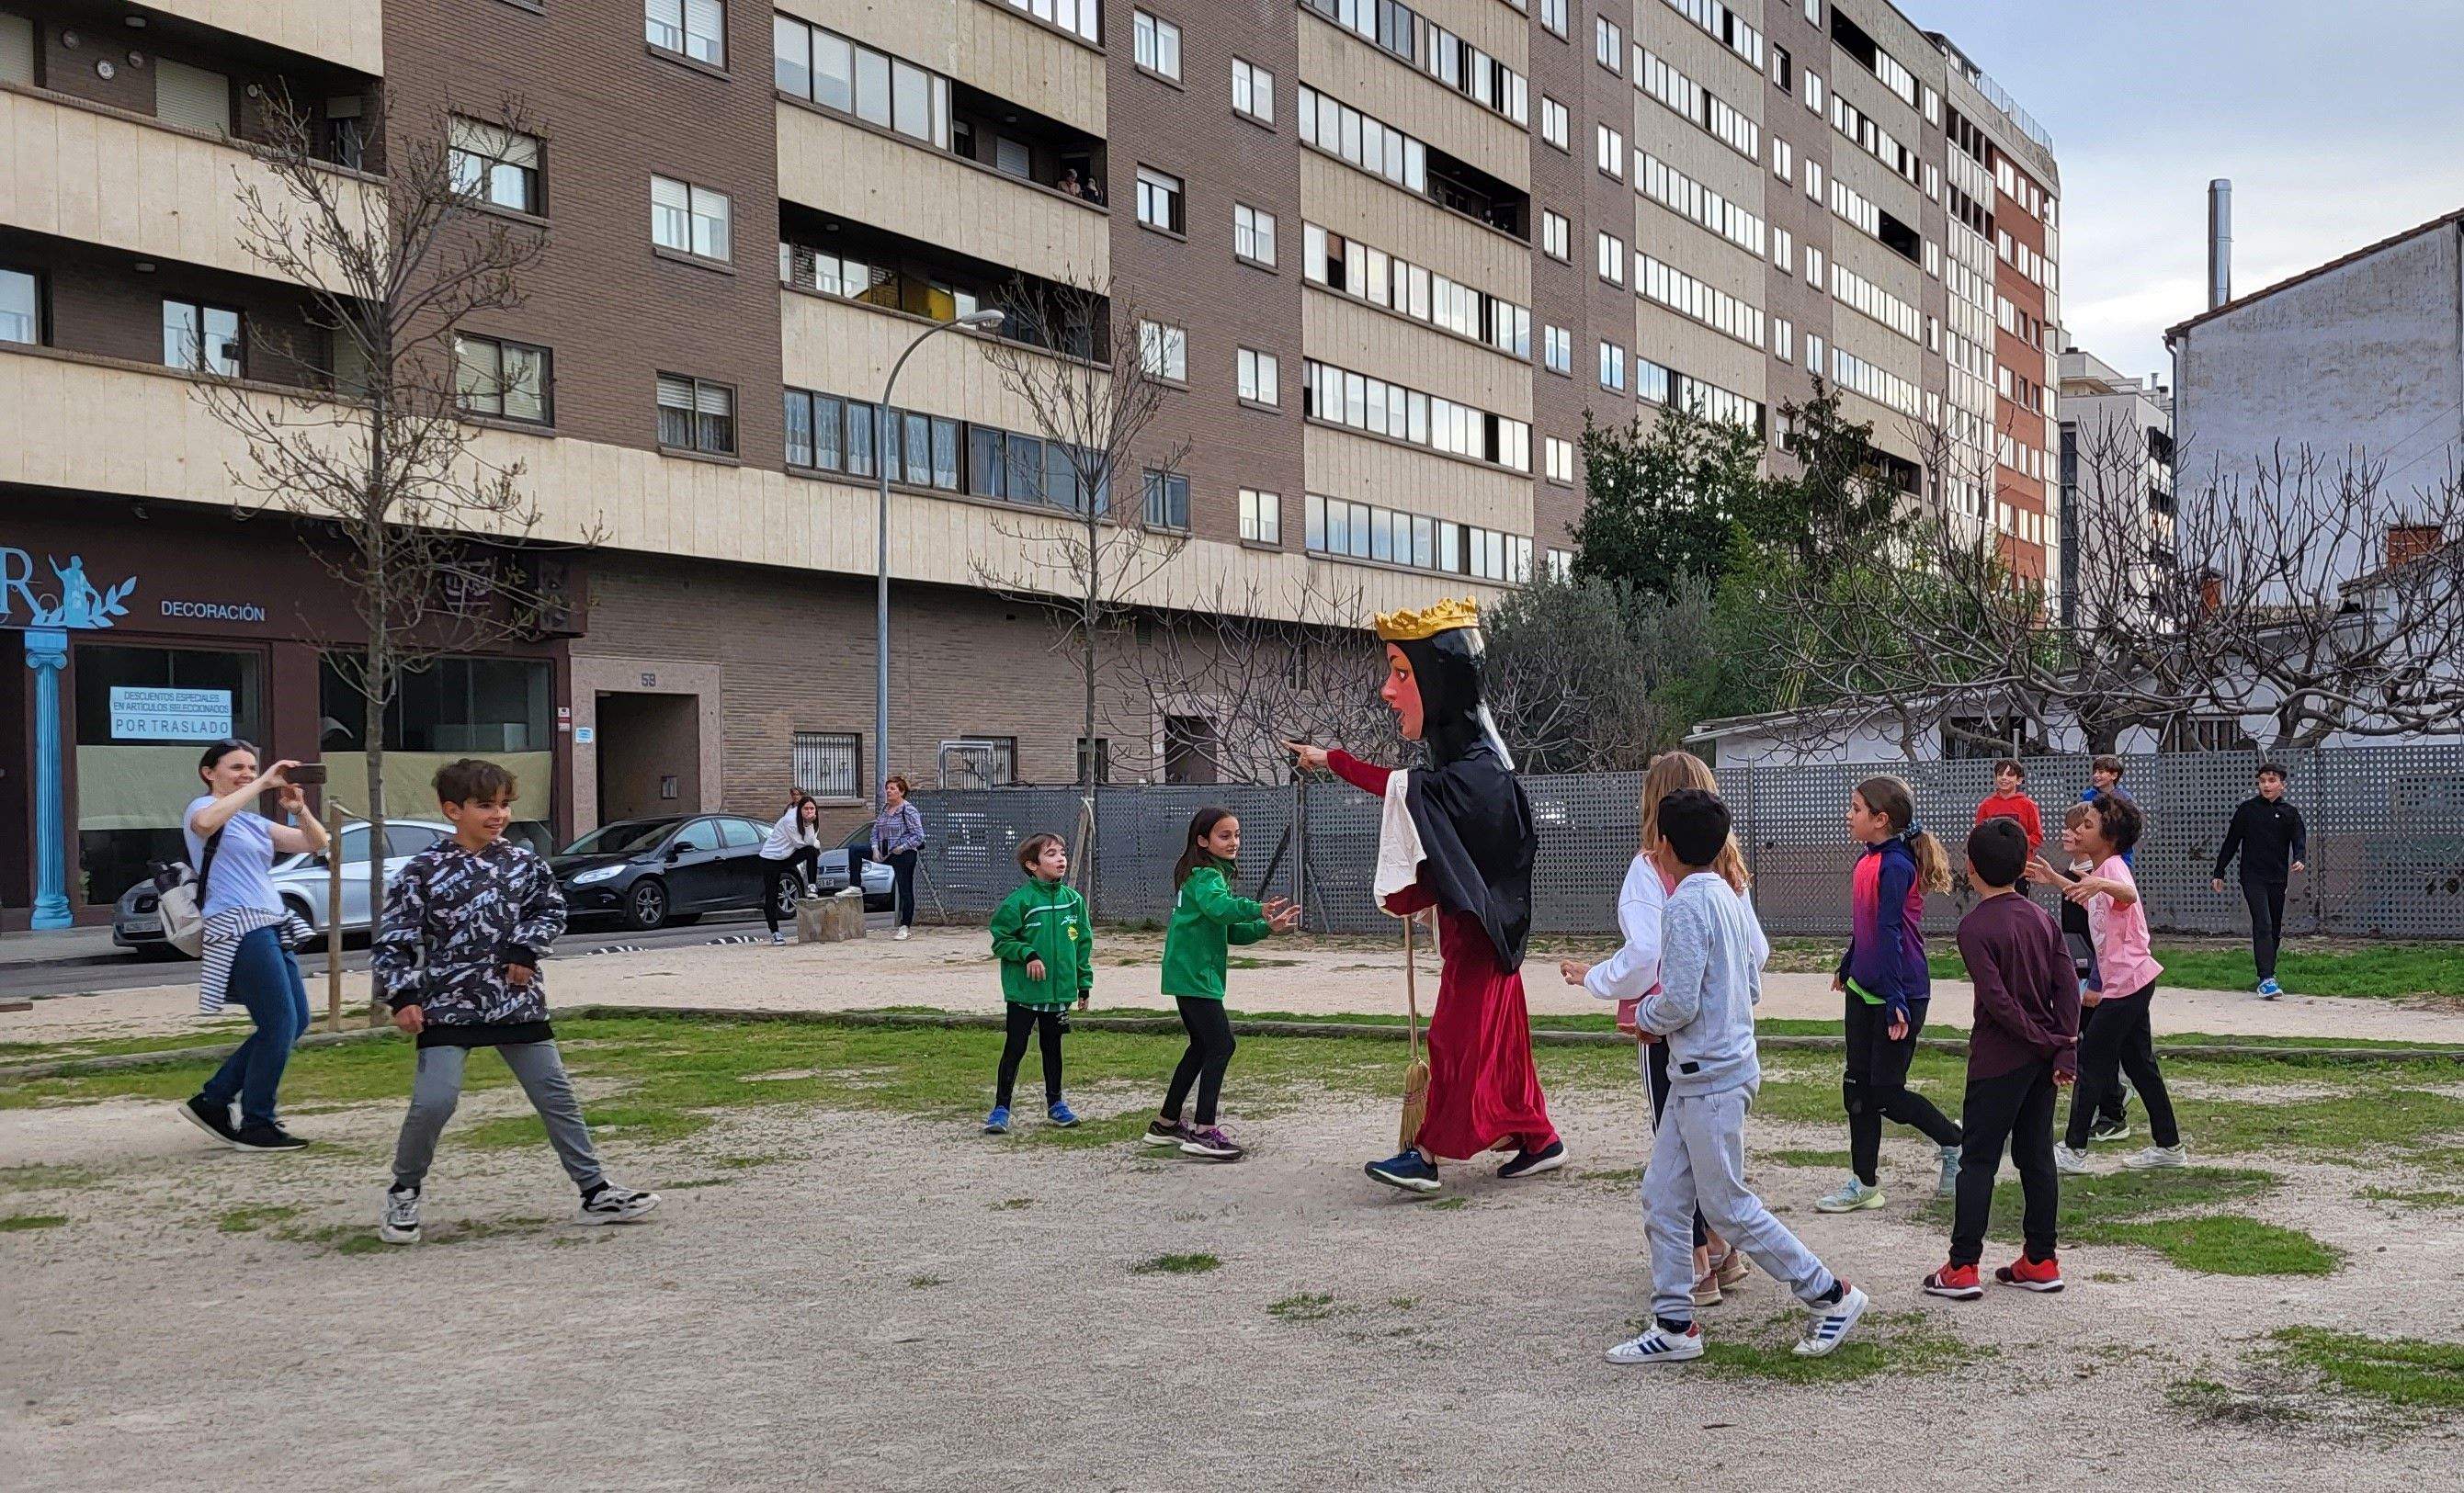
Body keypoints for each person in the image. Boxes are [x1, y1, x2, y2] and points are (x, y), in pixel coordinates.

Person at [1285, 596, 1564, 1195]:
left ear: (1438, 682)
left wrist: (1333, 758)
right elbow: (1423, 800)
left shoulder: (1476, 775)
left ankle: (1427, 1151)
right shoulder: (1476, 768)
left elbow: (1408, 792)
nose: (1388, 691)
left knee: (1455, 1040)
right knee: (1503, 1045)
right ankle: (1538, 1137)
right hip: (1489, 934)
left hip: (1482, 937)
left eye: (1402, 673)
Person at [1607, 788, 1870, 1365]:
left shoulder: (1684, 907)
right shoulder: (1728, 895)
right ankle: (1675, 1324)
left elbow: (1675, 1002)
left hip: (1713, 1076)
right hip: (1703, 1072)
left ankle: (1830, 1294)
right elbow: (1749, 980)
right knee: (1663, 1196)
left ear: (1668, 846)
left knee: (1725, 1205)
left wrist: (1644, 1017)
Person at [374, 759, 659, 1245]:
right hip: (447, 1004)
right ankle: (404, 1191)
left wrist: (526, 948)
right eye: (485, 805)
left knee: (555, 1094)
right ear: (451, 810)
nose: (499, 814)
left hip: (516, 1002)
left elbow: (550, 909)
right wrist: (401, 995)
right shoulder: (420, 871)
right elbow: (395, 937)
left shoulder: (525, 863)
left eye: (505, 805)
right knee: (434, 1102)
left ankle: (594, 1191)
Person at [1560, 751, 1747, 1307]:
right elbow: (1753, 950)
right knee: (1710, 1141)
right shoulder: (1727, 868)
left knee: (1674, 1139)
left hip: (1668, 1024)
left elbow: (1645, 953)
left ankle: (1694, 1264)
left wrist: (1596, 978)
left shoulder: (1649, 867)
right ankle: (1722, 1248)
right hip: (1723, 1028)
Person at [1923, 817, 2080, 1301]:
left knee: (1979, 1160)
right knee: (2037, 1159)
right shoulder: (2043, 919)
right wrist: (2063, 1046)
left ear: (1970, 868)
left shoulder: (1973, 927)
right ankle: (2040, 1257)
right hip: (2043, 1058)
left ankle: (1963, 1265)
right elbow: (2068, 985)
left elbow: (1997, 1001)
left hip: (1999, 1059)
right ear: (2023, 870)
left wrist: (2041, 1041)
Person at [1816, 775, 1964, 1213]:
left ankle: (1956, 1143)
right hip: (1865, 990)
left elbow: (1892, 932)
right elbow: (1868, 923)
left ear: (1880, 820)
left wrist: (1896, 999)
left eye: (1856, 809)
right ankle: (1865, 1184)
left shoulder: (1897, 865)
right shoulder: (1869, 859)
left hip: (1900, 994)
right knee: (1857, 1089)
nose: (1849, 815)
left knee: (1887, 1093)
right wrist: (1849, 963)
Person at [174, 740, 327, 1152]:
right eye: (236, 766)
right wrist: (260, 783)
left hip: (271, 922)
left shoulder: (251, 823)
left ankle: (214, 1099)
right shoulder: (200, 807)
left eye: (251, 766)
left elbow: (316, 842)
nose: (245, 772)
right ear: (209, 772)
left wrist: (299, 808)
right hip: (238, 925)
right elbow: (205, 826)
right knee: (278, 1024)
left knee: (296, 1021)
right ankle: (256, 1122)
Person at [2031, 792, 2186, 1173]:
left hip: (2128, 983)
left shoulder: (2114, 868)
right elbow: (2090, 900)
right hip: (2130, 982)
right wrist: (2054, 878)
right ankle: (2169, 1147)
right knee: (2140, 1065)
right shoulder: (2100, 872)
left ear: (2110, 836)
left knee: (2091, 1061)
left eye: (2088, 825)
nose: (2078, 831)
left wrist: (2101, 885)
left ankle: (2073, 1150)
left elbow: (2128, 894)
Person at [1144, 808, 1299, 1161]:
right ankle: (1202, 1131)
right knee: (1221, 1045)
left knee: (1201, 1047)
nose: (1234, 842)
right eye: (1224, 836)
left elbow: (1227, 928)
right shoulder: (1207, 879)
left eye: (1237, 835)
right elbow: (1223, 909)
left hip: (1192, 975)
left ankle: (1166, 1124)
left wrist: (1266, 928)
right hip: (1195, 976)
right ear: (1203, 841)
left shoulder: (1206, 878)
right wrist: (1256, 908)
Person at [985, 832, 1092, 1134]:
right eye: (1051, 854)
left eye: (1062, 853)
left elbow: (1081, 943)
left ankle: (1056, 1105)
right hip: (1024, 994)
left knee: (1052, 1047)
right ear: (1032, 865)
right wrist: (1027, 953)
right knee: (1015, 1047)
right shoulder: (1020, 902)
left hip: (1058, 994)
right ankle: (1001, 1108)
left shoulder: (1074, 902)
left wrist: (1083, 983)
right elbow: (1002, 939)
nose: (1060, 859)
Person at [2047, 801, 2133, 1144]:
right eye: (2069, 826)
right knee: (2102, 1044)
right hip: (2081, 965)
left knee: (2094, 1045)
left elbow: (2105, 934)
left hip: (2095, 971)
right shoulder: (2079, 870)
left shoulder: (2104, 872)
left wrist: (2095, 981)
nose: (2071, 832)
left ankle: (2109, 1111)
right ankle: (2115, 1101)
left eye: (2081, 826)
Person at [2212, 763, 2308, 998]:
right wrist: (2219, 871)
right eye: (2263, 780)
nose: (2267, 785)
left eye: (2272, 780)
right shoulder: (2247, 810)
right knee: (2262, 923)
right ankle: (2265, 978)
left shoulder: (2289, 813)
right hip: (2252, 876)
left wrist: (2300, 858)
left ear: (2282, 785)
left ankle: (2270, 973)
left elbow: (2299, 838)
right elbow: (2231, 841)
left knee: (2274, 926)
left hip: (2277, 877)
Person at [759, 794, 824, 945]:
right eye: (806, 808)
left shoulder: (812, 820)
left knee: (811, 852)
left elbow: (810, 843)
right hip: (771, 858)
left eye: (812, 808)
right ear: (800, 809)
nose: (809, 811)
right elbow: (799, 843)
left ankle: (812, 886)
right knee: (772, 894)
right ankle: (775, 932)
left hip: (787, 855)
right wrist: (811, 832)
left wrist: (809, 825)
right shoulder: (790, 821)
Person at [871, 775, 925, 940]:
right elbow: (875, 830)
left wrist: (902, 847)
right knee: (855, 851)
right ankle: (854, 886)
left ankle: (905, 926)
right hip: (885, 851)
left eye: (893, 788)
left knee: (904, 888)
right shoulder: (884, 809)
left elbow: (919, 836)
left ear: (901, 792)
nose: (888, 791)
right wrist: (874, 848)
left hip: (903, 853)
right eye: (887, 788)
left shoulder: (908, 810)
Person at [1973, 758, 2044, 855]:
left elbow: (2037, 836)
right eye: (2000, 774)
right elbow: (1978, 835)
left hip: (2021, 863)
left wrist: (2016, 845)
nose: (2004, 778)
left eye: (2010, 775)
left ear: (2019, 780)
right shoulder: (1985, 805)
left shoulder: (2029, 805)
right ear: (1995, 778)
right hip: (1993, 861)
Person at [2082, 754, 2135, 866]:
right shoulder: (2088, 797)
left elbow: (2129, 827)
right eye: (2094, 772)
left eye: (2101, 772)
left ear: (2114, 775)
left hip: (2119, 849)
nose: (2096, 775)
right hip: (2094, 848)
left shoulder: (2124, 798)